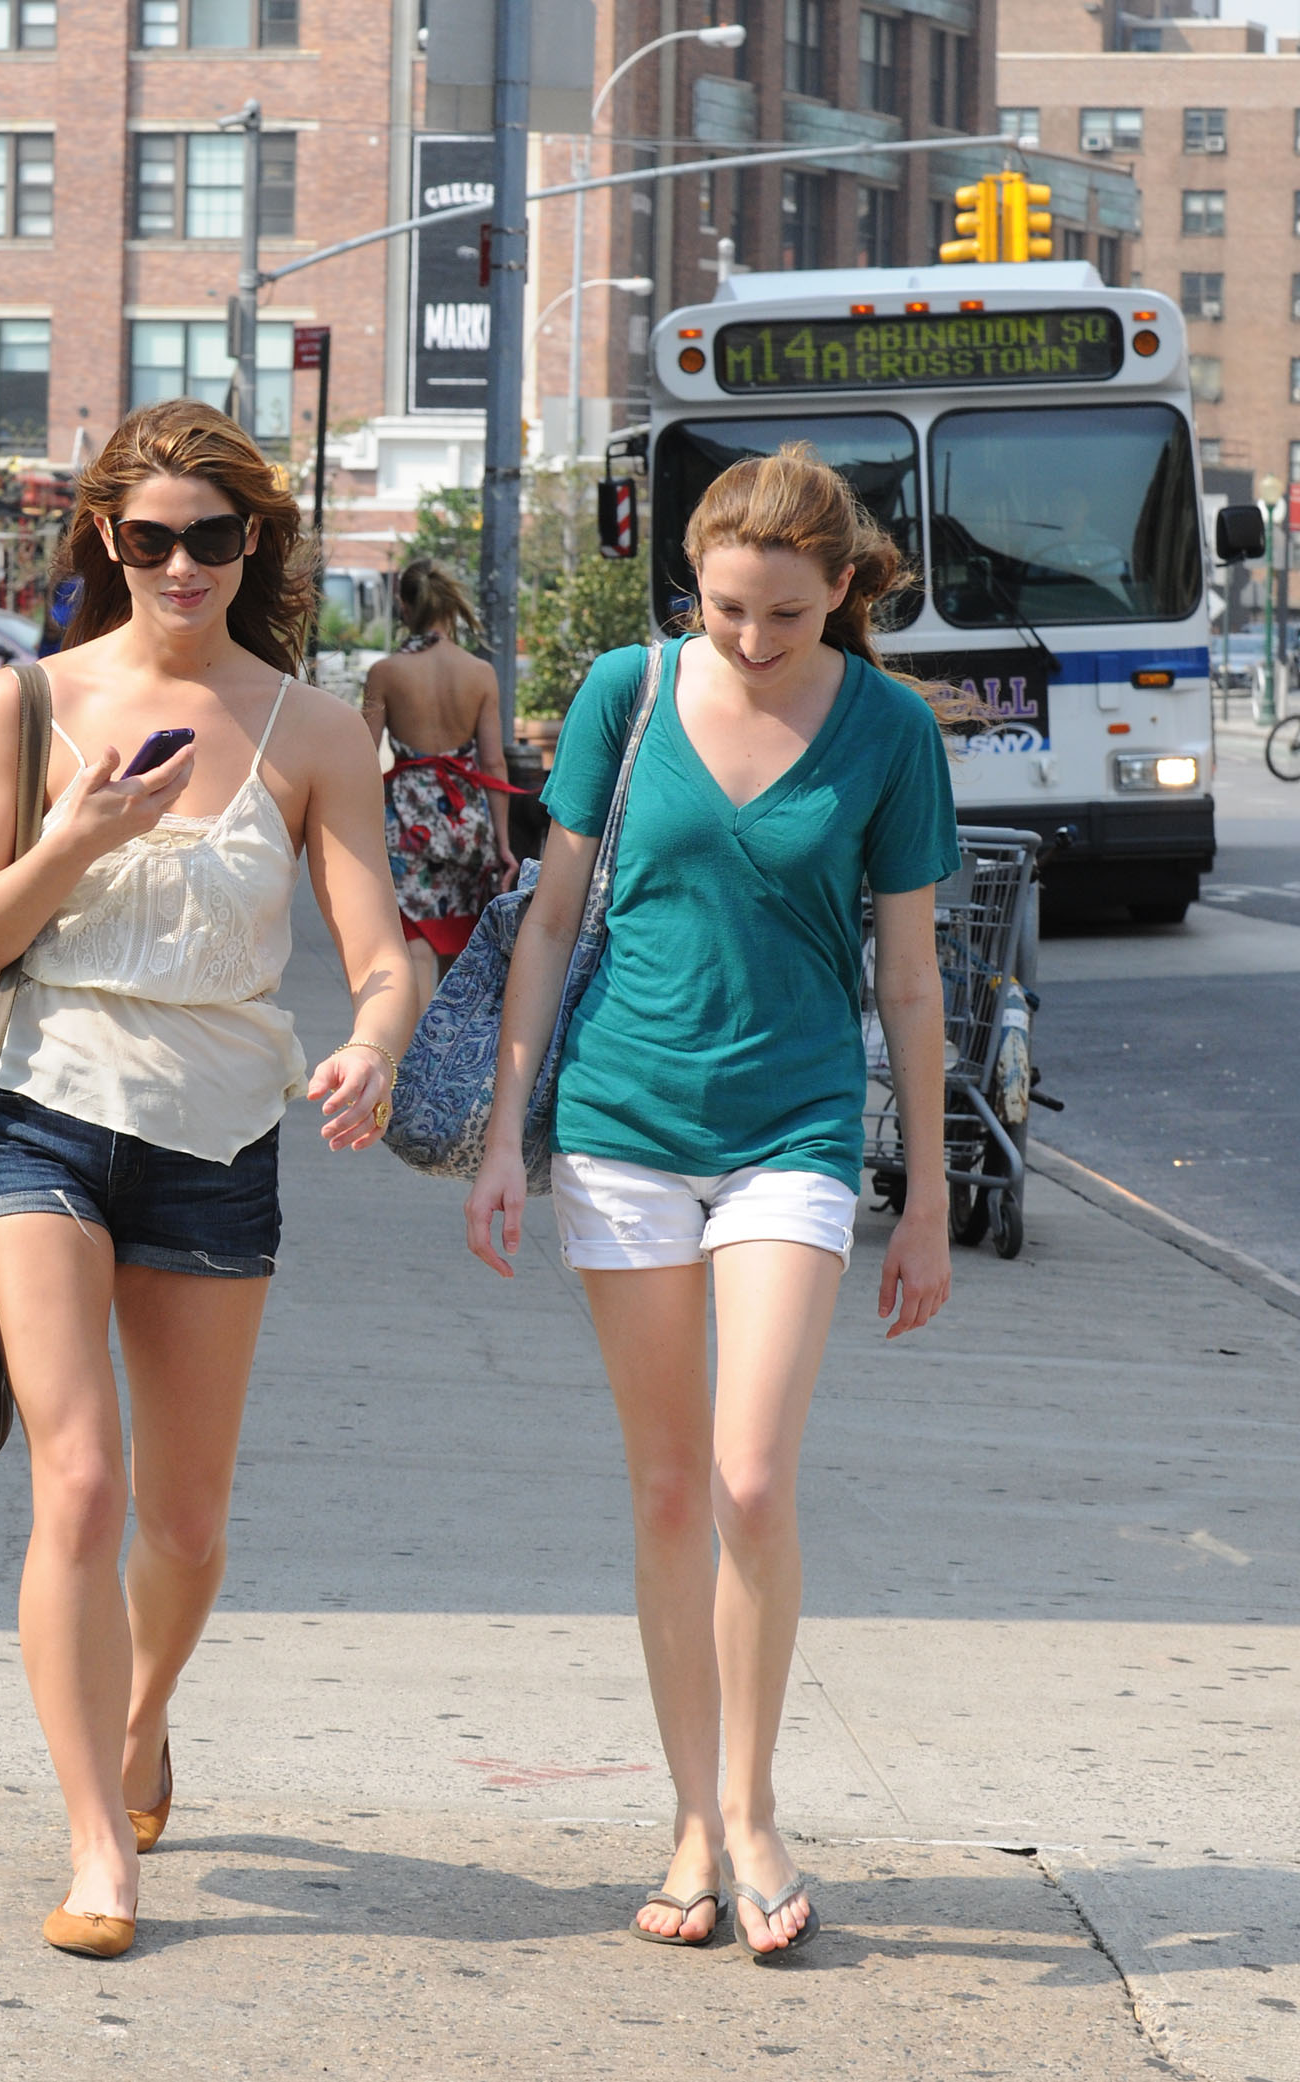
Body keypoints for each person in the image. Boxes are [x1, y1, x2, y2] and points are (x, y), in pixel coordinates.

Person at [0, 398, 418, 1959]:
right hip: (49, 1110)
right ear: (106, 543)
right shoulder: (24, 705)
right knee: (78, 1481)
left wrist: (378, 1042)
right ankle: (94, 1841)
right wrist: (77, 838)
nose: (181, 563)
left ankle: (140, 1720)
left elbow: (380, 953)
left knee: (187, 1528)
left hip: (221, 1136)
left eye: (212, 536)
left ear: (252, 542)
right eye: (149, 538)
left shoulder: (316, 729)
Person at [464, 444, 961, 1959]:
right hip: (620, 1124)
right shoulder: (627, 692)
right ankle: (689, 1813)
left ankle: (754, 1803)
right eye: (727, 608)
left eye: (785, 616)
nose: (750, 641)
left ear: (846, 594)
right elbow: (551, 920)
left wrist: (928, 1188)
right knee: (671, 1487)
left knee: (752, 1478)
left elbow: (914, 972)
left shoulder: (889, 729)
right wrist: (504, 1131)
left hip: (796, 1128)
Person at [361, 559, 517, 1008]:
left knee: (417, 944)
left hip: (407, 824)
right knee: (465, 945)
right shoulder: (480, 673)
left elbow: (362, 758)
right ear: (451, 608)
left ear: (404, 607)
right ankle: (457, 1064)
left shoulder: (385, 673)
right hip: (466, 820)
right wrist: (502, 844)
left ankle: (415, 1063)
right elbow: (494, 763)